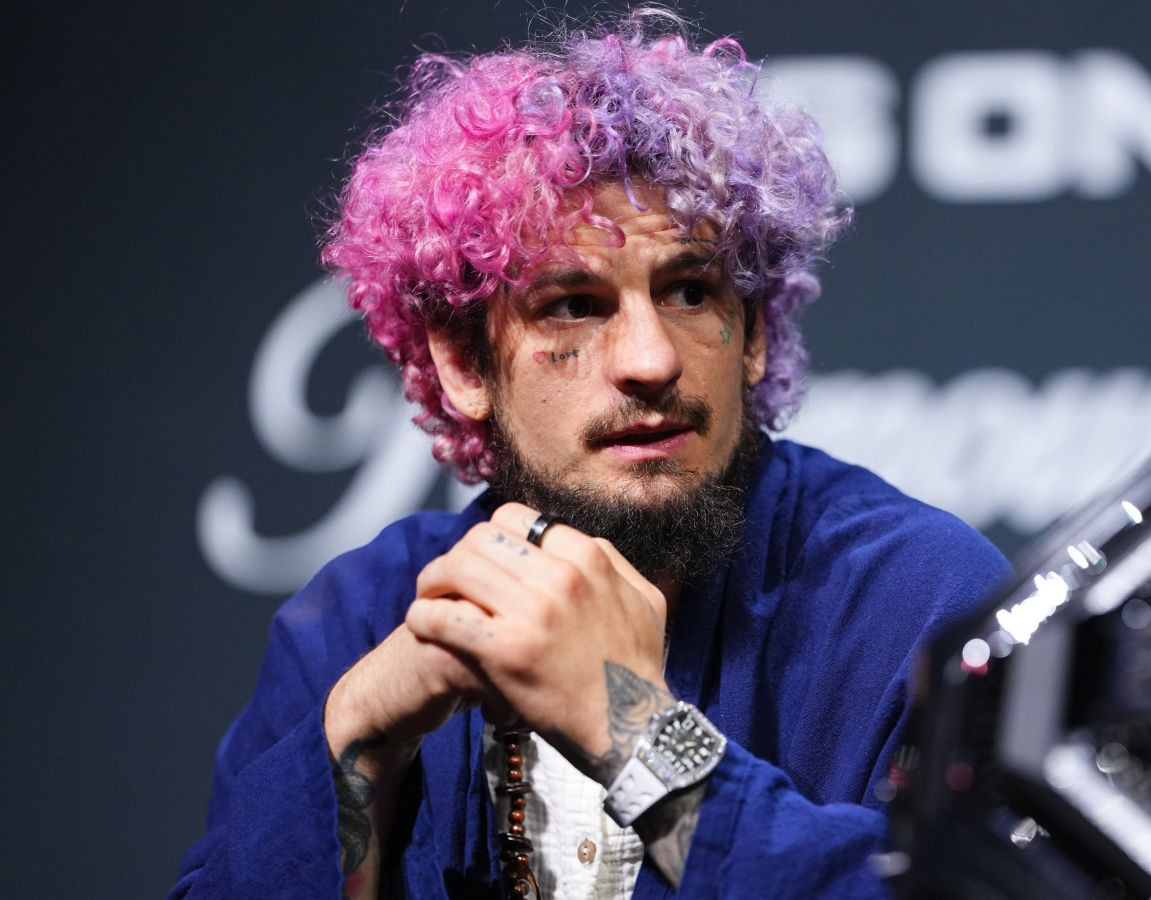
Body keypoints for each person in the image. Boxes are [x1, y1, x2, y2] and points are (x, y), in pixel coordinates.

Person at [172, 9, 1008, 899]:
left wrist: (637, 732)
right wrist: (359, 737)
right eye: (571, 306)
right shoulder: (363, 618)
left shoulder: (920, 603)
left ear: (756, 334)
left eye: (690, 292)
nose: (649, 360)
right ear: (463, 365)